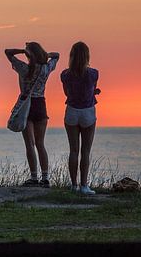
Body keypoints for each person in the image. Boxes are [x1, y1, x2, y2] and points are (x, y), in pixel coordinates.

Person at [4, 41, 59, 187]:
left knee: (30, 144)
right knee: (40, 144)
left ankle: (34, 177)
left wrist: (23, 51)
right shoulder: (46, 69)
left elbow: (7, 51)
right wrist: (45, 55)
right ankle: (45, 178)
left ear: (29, 54)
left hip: (26, 107)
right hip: (40, 105)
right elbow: (57, 56)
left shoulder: (24, 69)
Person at [61, 41, 101, 195]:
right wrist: (94, 92)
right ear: (87, 56)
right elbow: (89, 90)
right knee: (85, 151)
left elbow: (67, 93)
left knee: (73, 151)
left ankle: (73, 185)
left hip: (72, 111)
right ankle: (84, 186)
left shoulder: (65, 74)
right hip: (88, 112)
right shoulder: (94, 73)